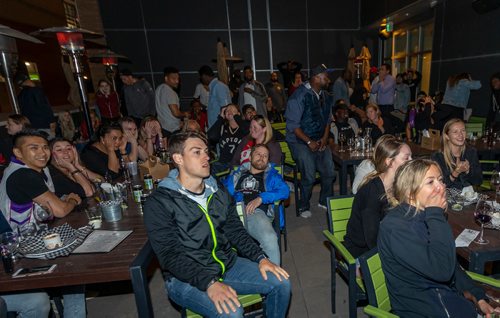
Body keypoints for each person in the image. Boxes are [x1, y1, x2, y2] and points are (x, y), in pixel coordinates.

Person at [144, 131, 291, 318]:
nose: (206, 156)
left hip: (226, 264)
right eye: (197, 152)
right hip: (185, 278)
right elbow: (170, 256)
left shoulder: (217, 190)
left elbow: (235, 230)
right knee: (232, 312)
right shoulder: (160, 202)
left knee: (281, 282)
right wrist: (209, 283)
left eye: (206, 151)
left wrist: (261, 258)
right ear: (178, 159)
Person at [378, 159, 500, 317]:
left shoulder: (424, 216)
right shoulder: (396, 228)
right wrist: (436, 213)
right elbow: (443, 271)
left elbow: (452, 266)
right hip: (427, 310)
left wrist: (479, 297)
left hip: (447, 301)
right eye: (430, 182)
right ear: (409, 192)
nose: (441, 186)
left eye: (441, 180)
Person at [343, 136, 412, 258]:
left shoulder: (397, 185)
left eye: (411, 157)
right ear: (389, 162)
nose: (411, 162)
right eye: (407, 158)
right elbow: (371, 240)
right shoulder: (372, 193)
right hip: (362, 251)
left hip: (387, 238)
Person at [0, 130, 82, 231]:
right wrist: (72, 200)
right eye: (34, 148)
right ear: (18, 152)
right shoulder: (23, 175)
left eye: (45, 147)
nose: (42, 153)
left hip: (43, 229)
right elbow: (61, 210)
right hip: (24, 240)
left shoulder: (39, 168)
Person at [223, 144, 289, 265]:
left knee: (269, 238)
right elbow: (223, 191)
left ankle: (274, 280)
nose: (262, 157)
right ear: (251, 156)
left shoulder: (272, 175)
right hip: (232, 213)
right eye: (258, 154)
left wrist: (261, 198)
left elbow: (284, 190)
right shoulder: (237, 174)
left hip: (254, 213)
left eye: (265, 156)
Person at [285, 64, 335, 218]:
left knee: (329, 172)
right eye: (325, 77)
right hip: (299, 141)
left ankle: (324, 200)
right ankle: (303, 205)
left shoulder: (325, 96)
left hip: (319, 139)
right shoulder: (298, 97)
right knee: (309, 175)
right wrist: (309, 142)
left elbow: (327, 120)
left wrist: (325, 139)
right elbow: (293, 126)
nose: (328, 79)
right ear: (316, 78)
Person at [431, 118, 482, 190]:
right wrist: (455, 173)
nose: (460, 135)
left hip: (468, 197)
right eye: (455, 132)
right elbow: (438, 186)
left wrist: (468, 171)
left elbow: (478, 181)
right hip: (446, 198)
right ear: (447, 136)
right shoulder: (438, 157)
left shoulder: (471, 152)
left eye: (463, 130)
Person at [207, 105, 247, 175]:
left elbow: (248, 131)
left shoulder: (243, 128)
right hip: (223, 164)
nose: (229, 111)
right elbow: (211, 136)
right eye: (227, 110)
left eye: (232, 109)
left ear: (238, 113)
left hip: (239, 164)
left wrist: (236, 117)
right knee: (205, 169)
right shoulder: (222, 128)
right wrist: (221, 118)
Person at [15, 72, 56, 138]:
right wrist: (52, 122)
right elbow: (44, 107)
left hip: (30, 127)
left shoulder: (20, 96)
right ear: (27, 80)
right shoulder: (36, 91)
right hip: (44, 125)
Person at [156, 67, 190, 137]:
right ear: (166, 78)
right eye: (173, 79)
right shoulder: (170, 92)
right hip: (172, 130)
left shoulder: (159, 88)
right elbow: (176, 113)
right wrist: (185, 114)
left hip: (161, 127)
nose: (177, 81)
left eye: (178, 79)